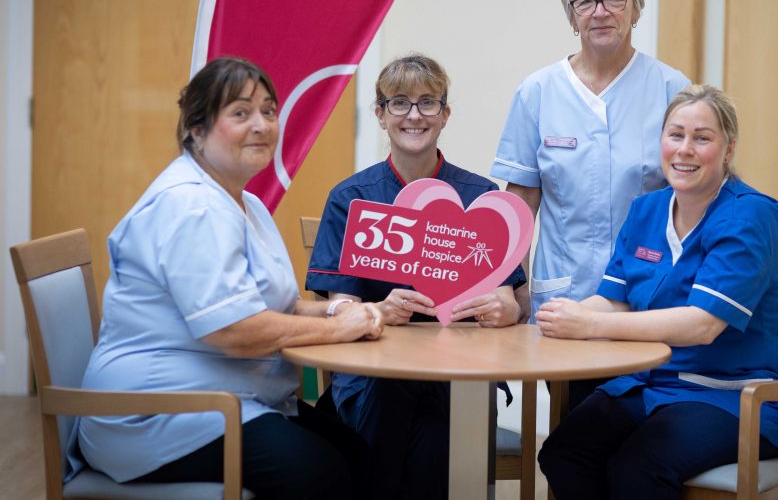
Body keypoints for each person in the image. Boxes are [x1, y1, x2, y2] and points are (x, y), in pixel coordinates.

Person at [75, 57, 383, 499]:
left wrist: (340, 307)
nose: (260, 125)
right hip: (154, 415)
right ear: (196, 130)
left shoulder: (244, 202)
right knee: (321, 474)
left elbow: (273, 305)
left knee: (358, 452)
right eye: (240, 113)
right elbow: (236, 330)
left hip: (221, 397)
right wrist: (337, 328)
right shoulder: (192, 206)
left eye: (269, 111)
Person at [535, 84, 778, 500]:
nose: (685, 150)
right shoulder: (648, 209)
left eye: (702, 138)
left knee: (637, 468)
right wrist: (555, 320)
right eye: (675, 135)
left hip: (733, 398)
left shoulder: (750, 215)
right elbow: (615, 298)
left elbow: (703, 324)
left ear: (728, 148)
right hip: (653, 385)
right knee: (564, 453)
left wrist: (590, 324)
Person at [305, 54, 524, 500]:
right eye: (400, 103)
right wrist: (376, 311)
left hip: (458, 375)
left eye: (428, 103)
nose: (414, 115)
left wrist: (509, 308)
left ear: (445, 115)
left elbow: (511, 294)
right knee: (406, 410)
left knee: (435, 430)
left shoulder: (480, 197)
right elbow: (339, 305)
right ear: (380, 115)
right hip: (373, 377)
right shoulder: (351, 199)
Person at [491, 0, 690, 405]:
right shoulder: (538, 91)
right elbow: (520, 204)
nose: (600, 12)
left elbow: (691, 197)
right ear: (571, 16)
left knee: (637, 422)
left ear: (636, 8)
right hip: (565, 294)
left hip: (648, 294)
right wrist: (513, 288)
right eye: (585, 1)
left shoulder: (670, 88)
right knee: (575, 423)